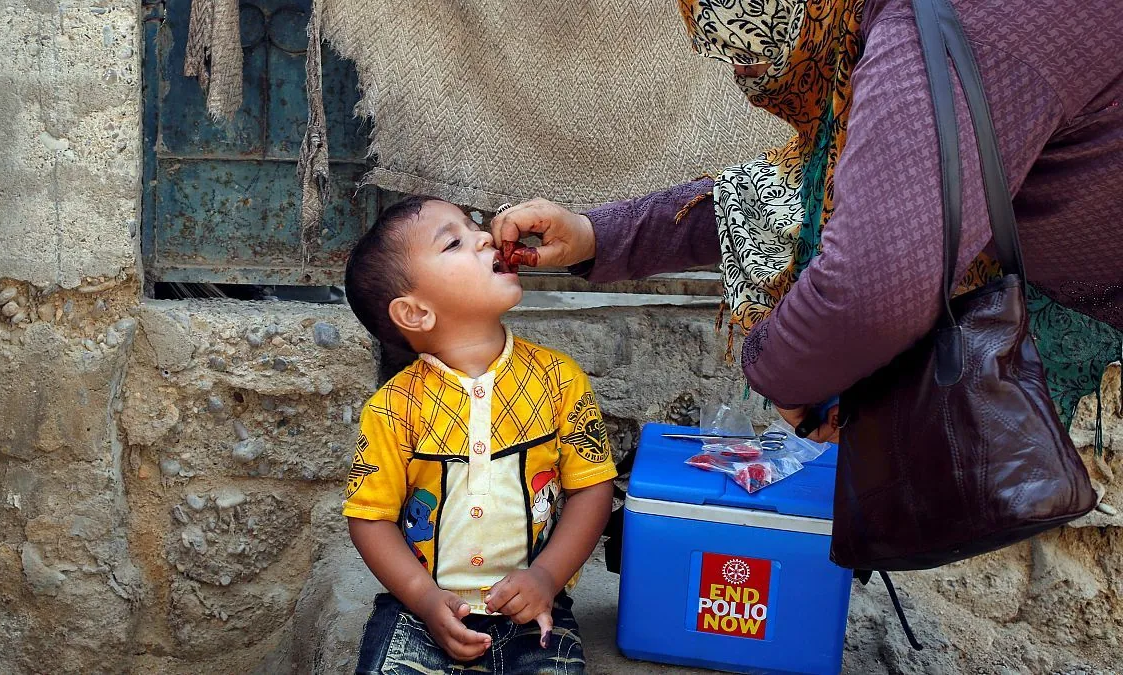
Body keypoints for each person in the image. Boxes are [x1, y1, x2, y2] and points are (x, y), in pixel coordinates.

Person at [491, 0, 1123, 442]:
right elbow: (796, 196)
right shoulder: (899, 40)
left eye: (763, 61)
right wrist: (598, 235)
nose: (757, 88)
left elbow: (871, 287)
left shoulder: (940, 33)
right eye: (735, 65)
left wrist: (785, 374)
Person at [342, 196, 617, 673]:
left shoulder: (559, 380)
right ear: (415, 313)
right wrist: (424, 599)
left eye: (474, 227)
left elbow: (592, 488)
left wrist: (547, 578)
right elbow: (370, 518)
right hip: (419, 613)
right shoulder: (392, 409)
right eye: (454, 242)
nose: (485, 236)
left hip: (537, 608)